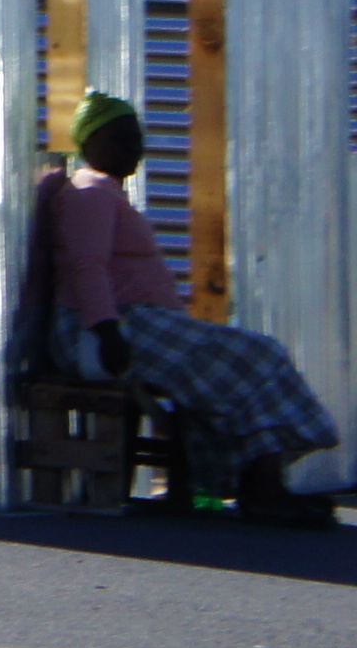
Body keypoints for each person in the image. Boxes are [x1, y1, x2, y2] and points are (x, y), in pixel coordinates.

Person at [48, 93, 339, 526]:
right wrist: (106, 329)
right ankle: (263, 489)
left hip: (131, 322)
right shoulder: (90, 192)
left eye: (137, 138)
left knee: (242, 363)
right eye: (120, 138)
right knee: (255, 355)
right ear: (89, 144)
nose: (133, 147)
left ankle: (258, 485)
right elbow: (86, 265)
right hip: (108, 328)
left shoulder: (106, 193)